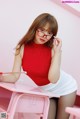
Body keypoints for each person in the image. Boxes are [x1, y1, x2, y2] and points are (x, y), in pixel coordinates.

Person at [0, 13, 77, 119]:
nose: (44, 35)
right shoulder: (21, 48)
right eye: (42, 30)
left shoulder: (53, 49)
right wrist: (2, 78)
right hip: (47, 92)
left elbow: (53, 79)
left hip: (66, 88)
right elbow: (14, 76)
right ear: (35, 28)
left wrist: (57, 52)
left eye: (49, 32)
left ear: (53, 35)